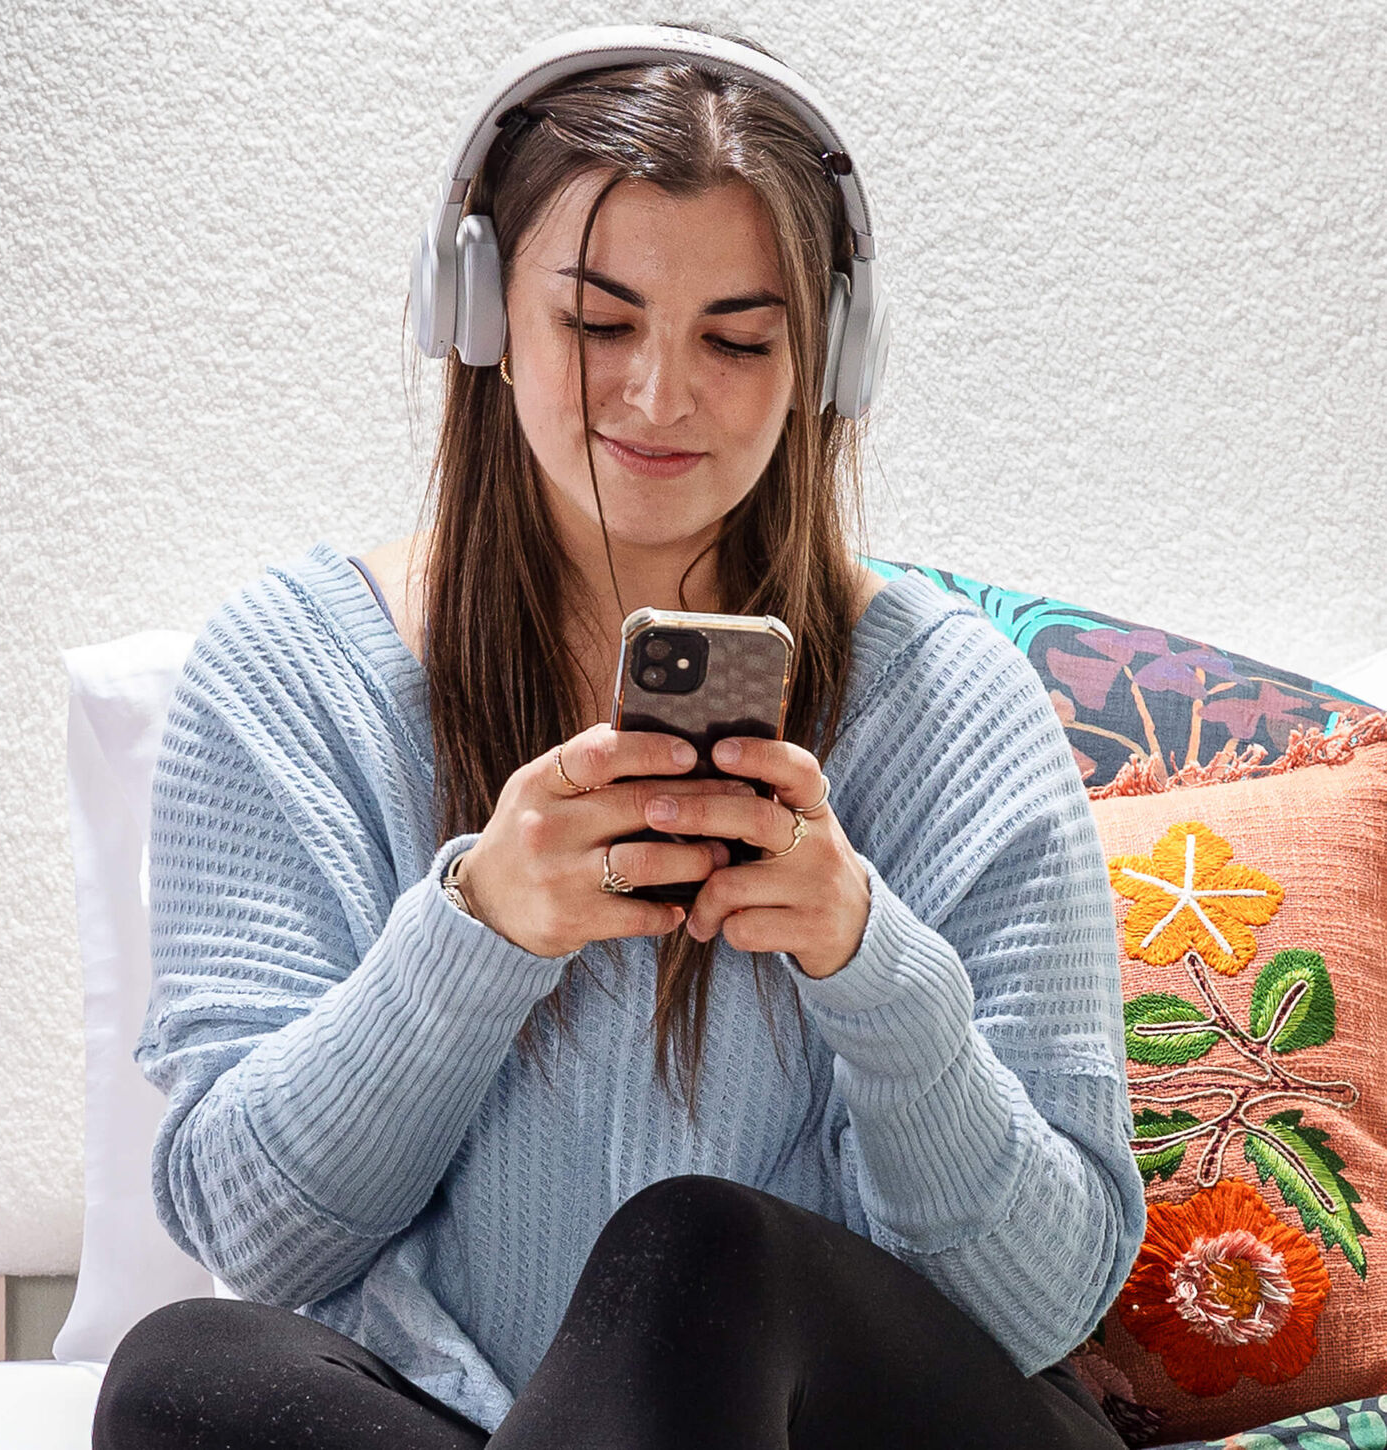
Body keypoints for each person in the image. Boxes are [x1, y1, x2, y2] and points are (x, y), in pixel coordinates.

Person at [93, 23, 1146, 1450]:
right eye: (598, 323)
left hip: (861, 1423)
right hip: (477, 1417)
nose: (659, 396)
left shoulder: (949, 703)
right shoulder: (290, 674)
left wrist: (866, 963)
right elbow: (260, 1235)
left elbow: (1040, 1296)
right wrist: (474, 932)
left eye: (737, 337)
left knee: (696, 1257)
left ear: (827, 356)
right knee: (186, 1372)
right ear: (474, 310)